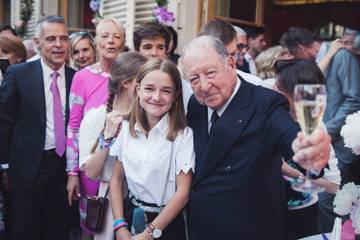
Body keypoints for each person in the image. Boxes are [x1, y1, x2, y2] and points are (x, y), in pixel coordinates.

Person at [180, 35, 331, 240]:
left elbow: (288, 134)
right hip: (202, 228)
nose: (204, 85)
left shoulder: (266, 102)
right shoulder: (195, 105)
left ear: (231, 63)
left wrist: (306, 149)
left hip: (249, 229)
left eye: (211, 73)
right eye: (194, 79)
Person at [0, 15, 76, 240]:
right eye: (51, 39)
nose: (59, 45)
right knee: (25, 231)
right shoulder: (18, 74)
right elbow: (4, 123)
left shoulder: (77, 78)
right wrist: (5, 166)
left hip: (64, 168)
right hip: (27, 168)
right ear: (37, 42)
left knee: (58, 231)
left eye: (64, 38)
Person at [109, 58, 194, 240]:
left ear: (176, 95)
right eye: (149, 89)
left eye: (166, 91)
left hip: (166, 221)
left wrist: (148, 234)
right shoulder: (126, 128)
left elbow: (183, 193)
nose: (156, 97)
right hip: (131, 215)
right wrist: (119, 225)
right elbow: (116, 180)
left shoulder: (183, 135)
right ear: (138, 89)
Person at [66, 17, 126, 239]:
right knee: (92, 224)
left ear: (123, 42)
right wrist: (72, 172)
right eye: (105, 36)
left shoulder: (131, 76)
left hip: (125, 167)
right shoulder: (82, 77)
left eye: (116, 36)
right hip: (91, 166)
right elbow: (73, 127)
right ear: (96, 42)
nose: (111, 41)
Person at [78, 52, 147, 240]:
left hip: (143, 198)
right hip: (109, 198)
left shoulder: (149, 117)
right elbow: (91, 173)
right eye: (143, 80)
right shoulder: (95, 118)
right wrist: (107, 137)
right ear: (126, 83)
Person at [280, 27, 360, 185]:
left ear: (301, 48)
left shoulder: (341, 55)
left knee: (333, 199)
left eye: (294, 55)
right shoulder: (322, 59)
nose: (295, 60)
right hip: (318, 144)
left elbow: (354, 99)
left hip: (337, 144)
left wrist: (327, 131)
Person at [274, 59, 341, 238]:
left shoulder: (316, 129)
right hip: (268, 211)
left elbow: (335, 186)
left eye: (279, 89)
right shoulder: (270, 112)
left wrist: (295, 173)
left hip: (301, 214)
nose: (274, 91)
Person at [198, 19, 264, 86]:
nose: (244, 51)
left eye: (246, 46)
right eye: (239, 46)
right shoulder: (192, 84)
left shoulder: (253, 82)